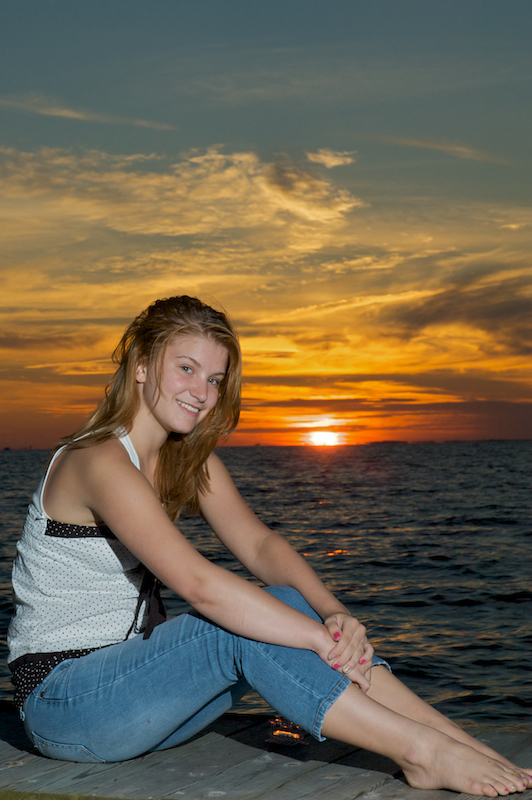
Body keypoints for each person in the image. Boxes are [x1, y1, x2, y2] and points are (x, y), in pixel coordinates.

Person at [7, 295, 531, 797]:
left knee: (289, 609)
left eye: (214, 379)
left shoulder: (188, 459)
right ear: (141, 365)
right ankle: (422, 753)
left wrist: (334, 615)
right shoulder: (99, 461)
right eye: (185, 369)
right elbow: (199, 586)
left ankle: (460, 743)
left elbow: (259, 544)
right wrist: (314, 638)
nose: (202, 392)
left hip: (135, 698)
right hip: (64, 703)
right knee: (243, 626)